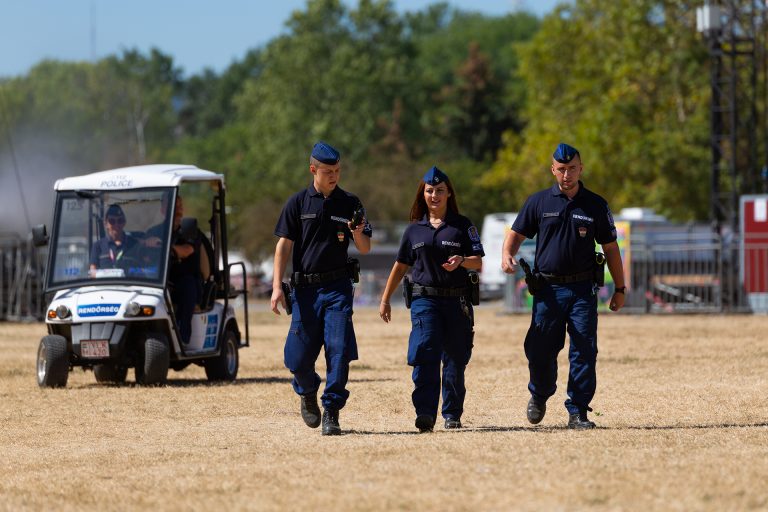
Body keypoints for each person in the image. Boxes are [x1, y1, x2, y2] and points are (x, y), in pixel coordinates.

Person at [501, 143, 626, 429]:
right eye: (561, 169)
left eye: (572, 169)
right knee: (540, 349)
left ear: (581, 169)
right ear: (553, 170)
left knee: (584, 349)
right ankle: (540, 393)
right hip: (547, 291)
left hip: (583, 290)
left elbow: (610, 247)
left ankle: (578, 410)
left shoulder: (595, 204)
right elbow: (516, 233)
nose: (567, 175)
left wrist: (620, 289)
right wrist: (506, 254)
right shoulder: (538, 202)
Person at [271, 141, 372, 436]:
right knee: (298, 358)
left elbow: (365, 247)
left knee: (339, 351)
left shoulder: (351, 203)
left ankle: (332, 411)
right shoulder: (297, 203)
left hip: (338, 289)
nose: (334, 176)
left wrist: (357, 233)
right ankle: (307, 391)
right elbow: (283, 248)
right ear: (313, 170)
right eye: (328, 171)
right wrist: (277, 287)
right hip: (305, 291)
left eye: (338, 170)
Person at [379, 166, 484, 433]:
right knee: (425, 352)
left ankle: (451, 413)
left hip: (457, 301)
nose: (434, 195)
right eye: (429, 191)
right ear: (422, 194)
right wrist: (385, 298)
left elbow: (478, 263)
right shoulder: (414, 230)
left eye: (439, 190)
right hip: (425, 301)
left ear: (449, 193)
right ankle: (425, 413)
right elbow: (401, 265)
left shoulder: (463, 226)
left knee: (455, 359)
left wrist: (461, 261)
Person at [146, 194, 202, 345]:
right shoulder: (154, 231)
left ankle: (182, 337)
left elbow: (187, 250)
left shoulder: (189, 229)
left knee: (187, 285)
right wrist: (145, 245)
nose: (178, 210)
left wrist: (165, 248)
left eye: (180, 206)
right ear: (163, 209)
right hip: (161, 280)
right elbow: (145, 256)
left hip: (185, 280)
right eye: (173, 206)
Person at [89, 204, 141, 274]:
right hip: (105, 284)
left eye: (120, 221)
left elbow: (143, 270)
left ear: (124, 222)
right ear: (106, 224)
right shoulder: (98, 246)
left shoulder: (135, 244)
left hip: (129, 284)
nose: (116, 225)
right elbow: (92, 272)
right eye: (112, 221)